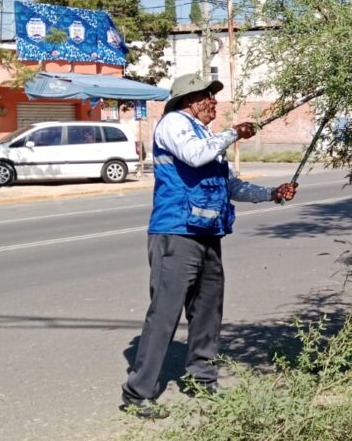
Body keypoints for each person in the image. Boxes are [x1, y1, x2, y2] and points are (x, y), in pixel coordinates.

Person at [121, 72, 298, 417]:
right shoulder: (174, 124)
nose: (214, 101)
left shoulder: (207, 136)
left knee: (207, 312)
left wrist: (272, 193)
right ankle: (138, 393)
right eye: (208, 95)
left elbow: (232, 186)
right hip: (176, 234)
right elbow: (194, 155)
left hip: (207, 234)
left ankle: (202, 379)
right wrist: (233, 134)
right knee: (165, 314)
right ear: (190, 100)